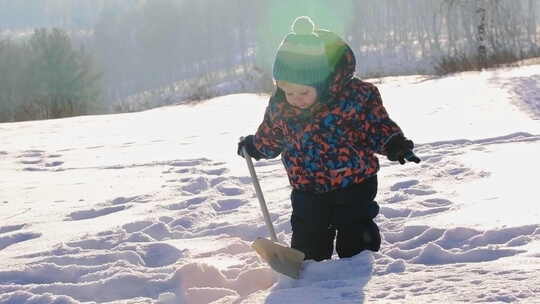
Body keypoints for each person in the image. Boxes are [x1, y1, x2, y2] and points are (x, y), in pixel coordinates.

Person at [237, 16, 419, 262]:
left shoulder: (354, 98)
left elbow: (376, 127)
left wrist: (394, 144)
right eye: (288, 91)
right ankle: (310, 276)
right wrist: (255, 146)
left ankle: (357, 266)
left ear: (322, 82)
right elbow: (271, 134)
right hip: (307, 187)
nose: (296, 98)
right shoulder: (281, 106)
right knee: (308, 235)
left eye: (303, 92)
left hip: (354, 182)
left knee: (356, 230)